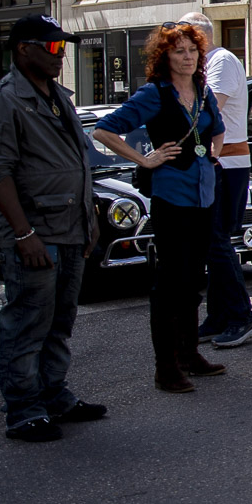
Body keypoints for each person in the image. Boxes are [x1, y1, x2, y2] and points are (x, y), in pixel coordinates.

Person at [0, 16, 108, 441]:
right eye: (52, 48)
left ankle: (53, 394)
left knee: (60, 320)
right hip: (36, 232)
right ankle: (23, 409)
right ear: (22, 49)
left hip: (69, 227)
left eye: (62, 48)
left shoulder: (57, 96)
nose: (60, 56)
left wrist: (89, 221)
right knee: (28, 321)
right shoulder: (5, 99)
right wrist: (22, 233)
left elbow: (78, 165)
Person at [93, 23, 228, 394]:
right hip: (171, 197)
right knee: (170, 283)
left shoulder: (203, 91)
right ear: (164, 57)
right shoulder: (154, 94)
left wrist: (214, 152)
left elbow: (218, 129)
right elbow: (104, 130)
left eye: (192, 50)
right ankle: (165, 367)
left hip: (204, 194)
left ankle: (189, 355)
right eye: (179, 51)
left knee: (192, 280)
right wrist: (144, 159)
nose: (187, 57)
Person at [180, 13, 252, 349]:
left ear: (200, 36)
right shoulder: (208, 64)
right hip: (217, 160)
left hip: (226, 161)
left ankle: (242, 316)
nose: (180, 48)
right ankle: (219, 316)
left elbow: (207, 108)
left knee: (216, 239)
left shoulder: (221, 60)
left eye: (185, 39)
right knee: (215, 241)